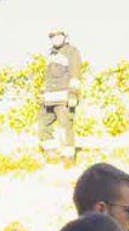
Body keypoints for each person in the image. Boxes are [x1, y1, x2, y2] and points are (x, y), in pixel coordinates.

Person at [40, 27, 84, 158]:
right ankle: (51, 154)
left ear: (65, 37)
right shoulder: (51, 54)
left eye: (58, 36)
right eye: (52, 37)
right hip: (49, 98)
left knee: (65, 128)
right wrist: (43, 94)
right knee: (43, 125)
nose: (56, 39)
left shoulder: (72, 52)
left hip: (64, 97)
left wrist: (73, 94)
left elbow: (75, 74)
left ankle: (68, 158)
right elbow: (48, 77)